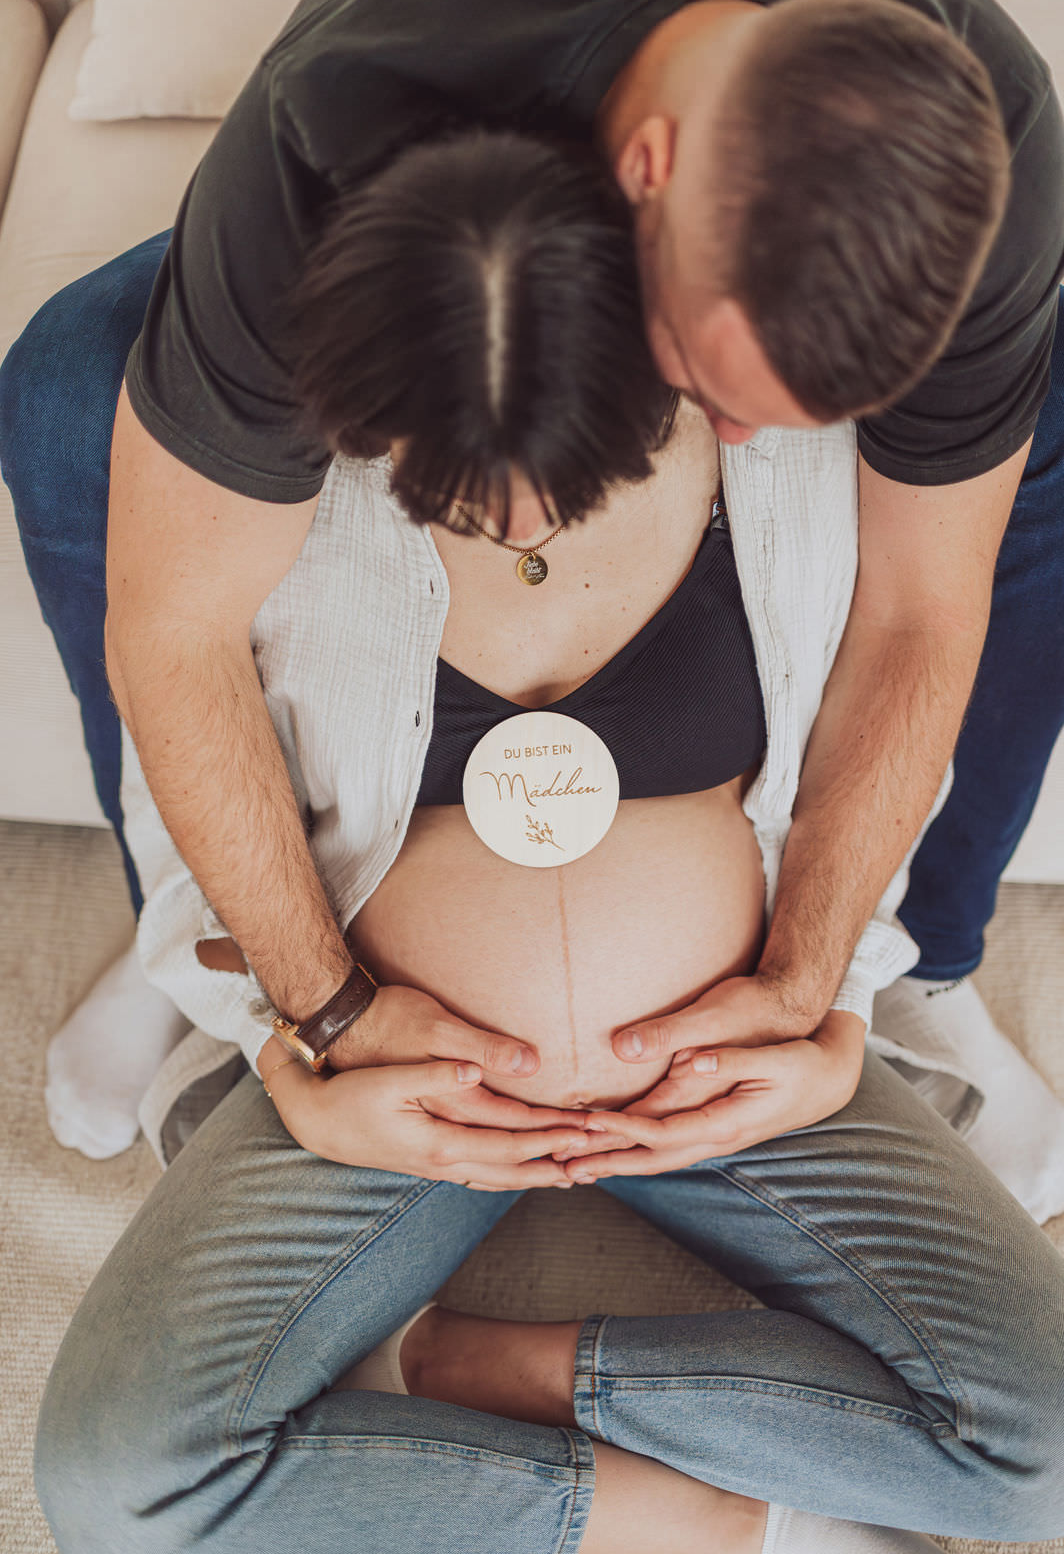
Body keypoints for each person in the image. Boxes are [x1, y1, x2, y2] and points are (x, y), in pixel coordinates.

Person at [34, 129, 1064, 1554]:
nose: (513, 525)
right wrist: (320, 1034)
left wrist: (816, 995)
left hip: (725, 1062)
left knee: (1045, 1461)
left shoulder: (792, 431)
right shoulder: (262, 471)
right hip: (409, 1080)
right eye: (446, 485)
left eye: (566, 481)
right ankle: (699, 1523)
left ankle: (482, 1364)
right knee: (112, 1487)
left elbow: (900, 682)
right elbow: (182, 726)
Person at [3, 0, 1064, 1166]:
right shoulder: (335, 127)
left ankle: (931, 948)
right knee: (69, 384)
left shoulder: (992, 144)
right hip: (413, 222)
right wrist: (316, 1006)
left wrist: (816, 979)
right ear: (648, 173)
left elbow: (924, 604)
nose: (738, 443)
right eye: (707, 382)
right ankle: (189, 929)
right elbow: (174, 627)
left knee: (1050, 406)